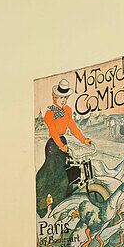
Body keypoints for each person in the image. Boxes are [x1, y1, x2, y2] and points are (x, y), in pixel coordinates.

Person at [36, 79, 92, 219]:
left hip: (63, 142)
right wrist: (60, 146)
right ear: (54, 97)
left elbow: (73, 127)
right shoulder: (49, 113)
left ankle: (67, 200)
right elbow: (53, 132)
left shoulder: (67, 110)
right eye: (61, 97)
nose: (63, 100)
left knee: (71, 171)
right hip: (53, 146)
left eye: (65, 97)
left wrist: (84, 139)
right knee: (59, 176)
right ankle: (55, 207)